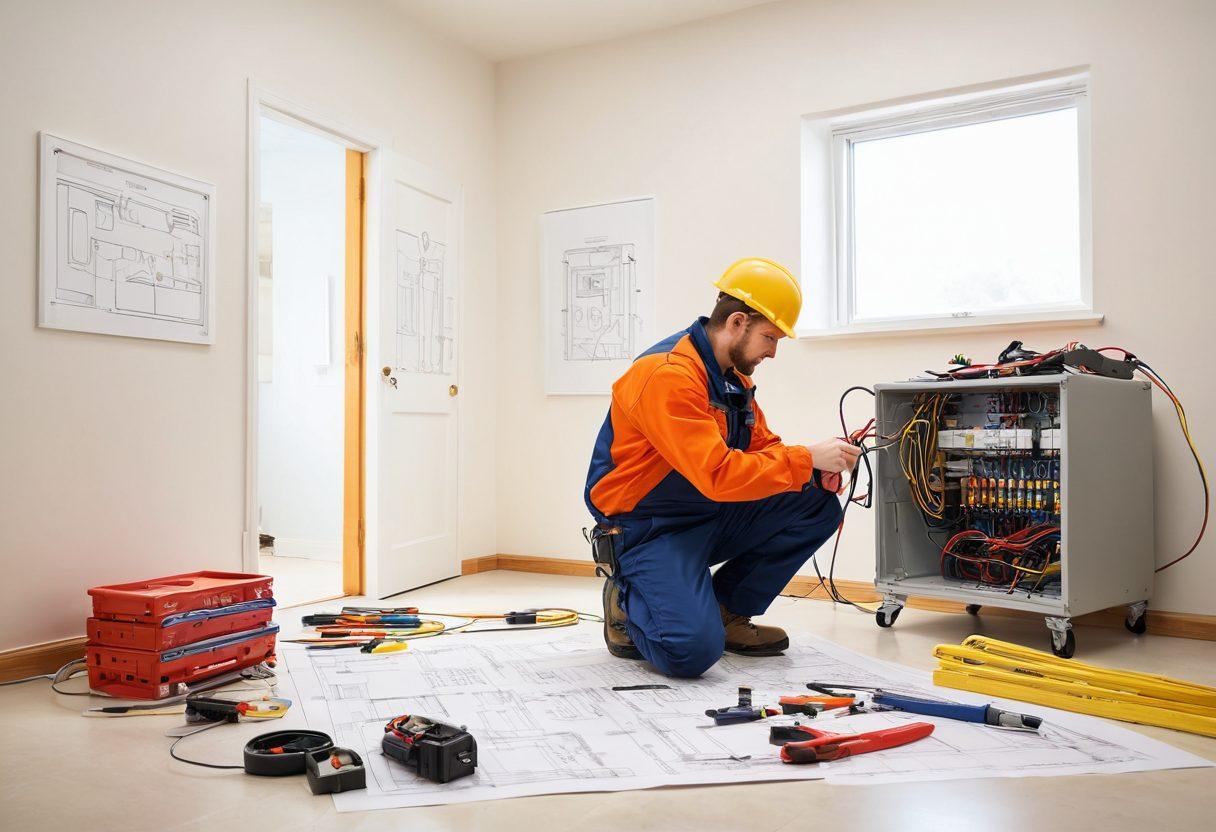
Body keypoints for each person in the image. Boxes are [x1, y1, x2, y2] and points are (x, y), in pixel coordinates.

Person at [584, 257, 861, 678]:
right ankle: (627, 599)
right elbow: (717, 473)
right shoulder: (667, 376)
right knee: (688, 653)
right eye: (770, 337)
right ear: (736, 322)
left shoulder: (731, 378)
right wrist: (806, 457)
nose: (772, 350)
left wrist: (812, 470)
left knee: (814, 503)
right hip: (648, 528)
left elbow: (762, 446)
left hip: (707, 513)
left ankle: (726, 611)